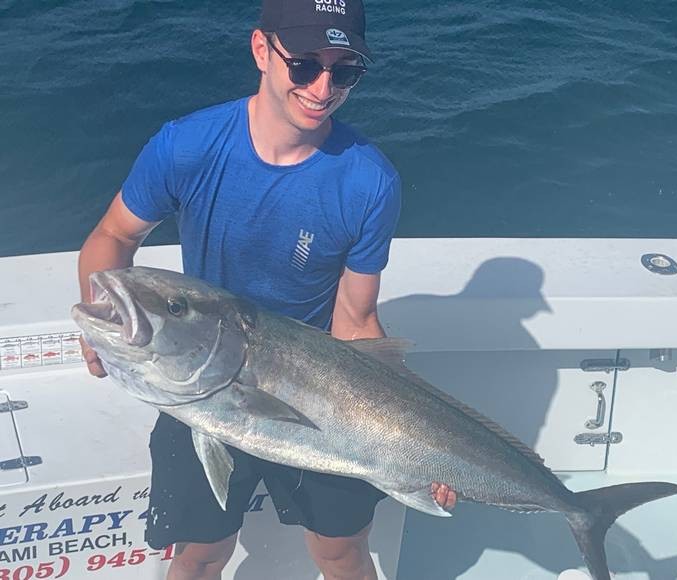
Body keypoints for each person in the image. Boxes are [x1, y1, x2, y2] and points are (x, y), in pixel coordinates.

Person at [77, 1, 456, 578]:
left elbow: (355, 320)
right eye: (304, 65)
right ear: (261, 50)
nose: (323, 86)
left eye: (344, 70)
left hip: (319, 387)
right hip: (197, 374)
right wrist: (101, 319)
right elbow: (112, 236)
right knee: (201, 555)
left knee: (341, 551)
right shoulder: (187, 145)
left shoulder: (368, 180)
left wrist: (425, 447)